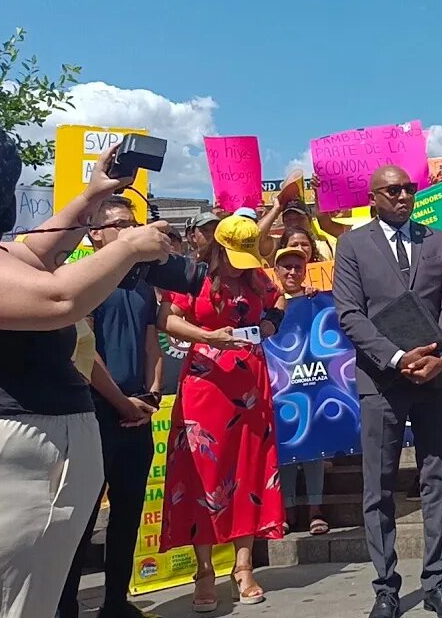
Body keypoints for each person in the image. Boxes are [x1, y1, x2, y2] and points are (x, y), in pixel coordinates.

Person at [0, 147, 172, 618]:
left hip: (41, 457)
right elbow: (57, 299)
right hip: (0, 466)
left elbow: (32, 251)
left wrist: (91, 197)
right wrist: (127, 247)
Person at [331, 165, 442, 618]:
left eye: (410, 188)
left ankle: (437, 582)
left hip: (436, 377)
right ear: (374, 197)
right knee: (379, 485)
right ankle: (386, 586)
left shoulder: (435, 240)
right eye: (394, 189)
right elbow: (350, 314)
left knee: (437, 479)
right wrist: (397, 358)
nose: (404, 195)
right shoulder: (353, 245)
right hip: (382, 380)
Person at [157, 215, 286, 610]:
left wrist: (269, 323)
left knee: (248, 469)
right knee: (204, 472)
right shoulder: (192, 276)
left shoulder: (256, 278)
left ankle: (244, 567)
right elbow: (166, 318)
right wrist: (205, 336)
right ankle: (205, 571)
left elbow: (279, 297)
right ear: (216, 247)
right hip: (204, 382)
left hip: (249, 384)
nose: (239, 266)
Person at [59, 196, 167, 618]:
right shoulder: (82, 281)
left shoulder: (142, 285)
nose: (127, 230)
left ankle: (116, 602)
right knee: (82, 518)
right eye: (118, 224)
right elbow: (83, 352)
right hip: (95, 412)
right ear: (96, 234)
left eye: (132, 222)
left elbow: (150, 341)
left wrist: (153, 393)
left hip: (138, 411)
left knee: (128, 512)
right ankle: (65, 606)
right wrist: (121, 403)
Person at [270, 246, 330, 535]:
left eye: (297, 266)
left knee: (313, 445)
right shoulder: (265, 300)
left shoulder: (315, 299)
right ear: (276, 271)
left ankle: (315, 509)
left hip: (311, 379)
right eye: (286, 267)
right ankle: (287, 508)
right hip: (278, 382)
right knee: (283, 446)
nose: (292, 272)